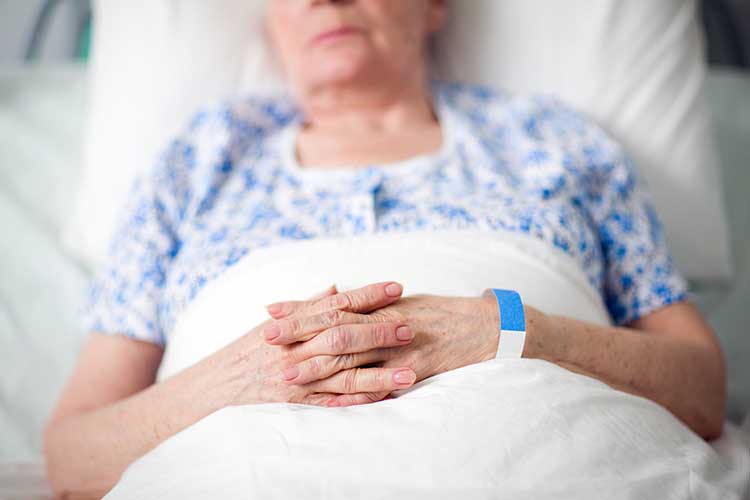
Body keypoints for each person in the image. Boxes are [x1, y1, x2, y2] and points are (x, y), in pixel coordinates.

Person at [44, 0, 726, 497]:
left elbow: (701, 389)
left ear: (433, 8)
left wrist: (502, 329)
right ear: (272, 22)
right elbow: (72, 456)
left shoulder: (553, 140)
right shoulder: (200, 160)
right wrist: (238, 380)